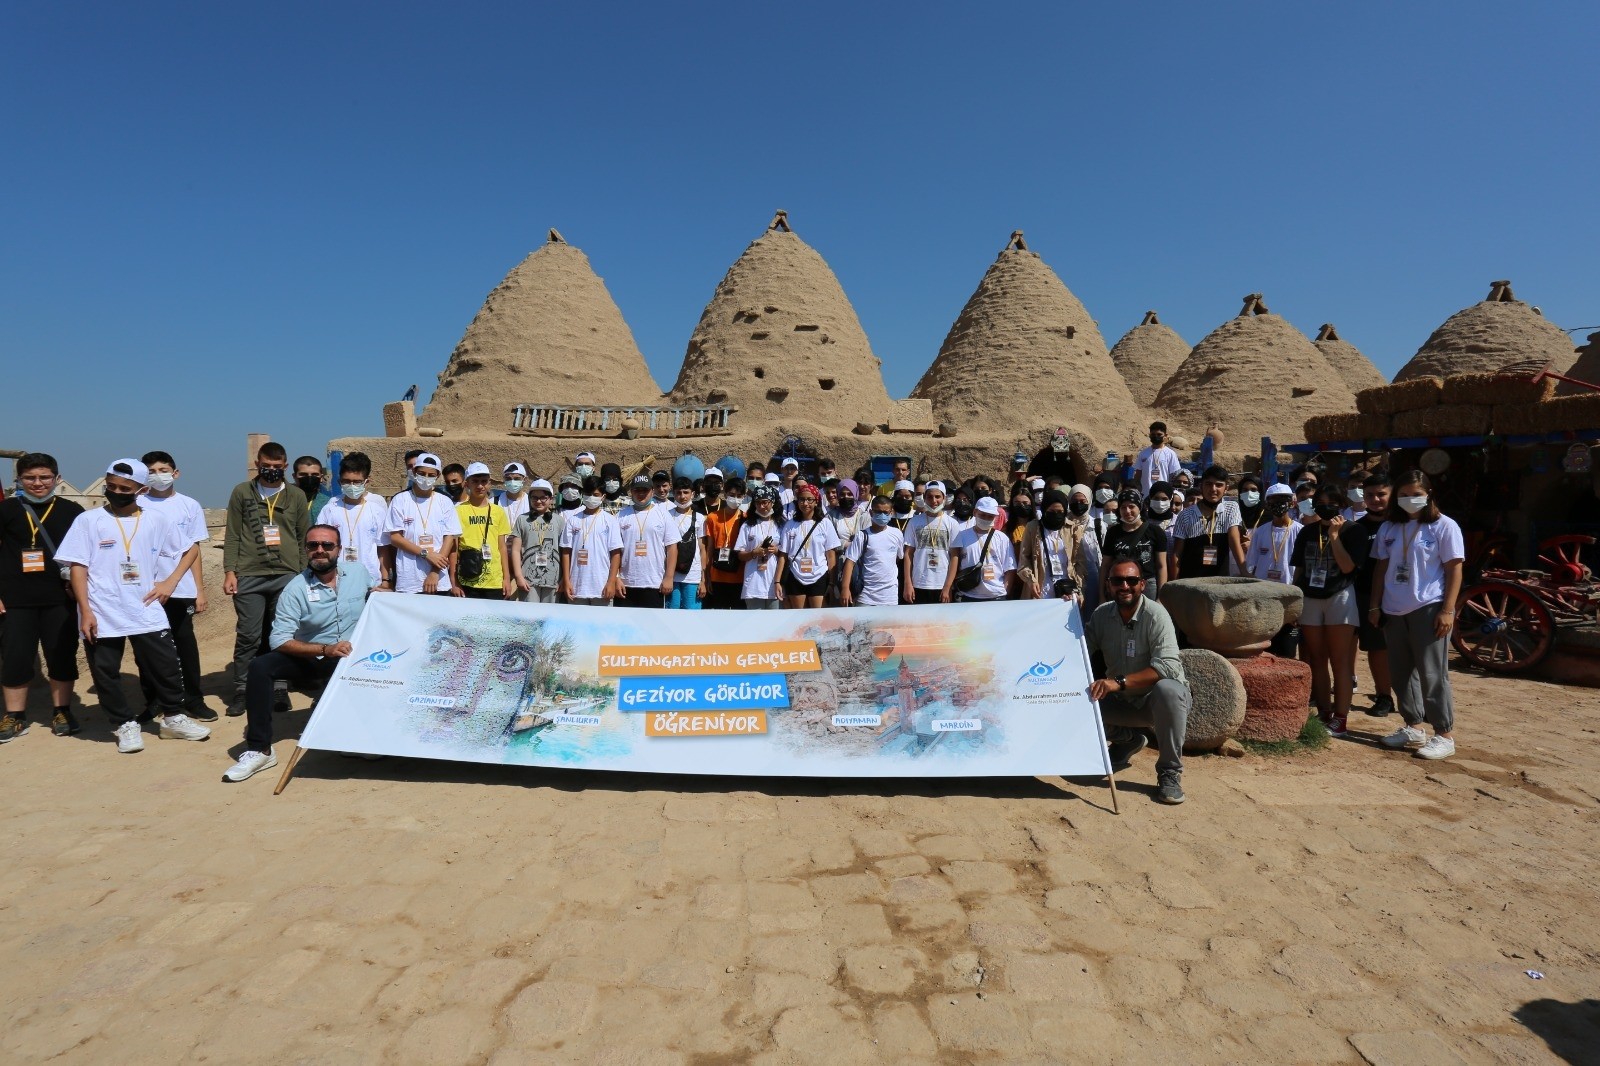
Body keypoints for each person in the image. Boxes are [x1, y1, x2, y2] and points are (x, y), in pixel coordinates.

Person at [55, 459, 210, 753]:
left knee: (165, 665)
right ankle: (124, 724)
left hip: (145, 607)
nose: (115, 491)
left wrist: (171, 582)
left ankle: (174, 718)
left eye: (124, 488)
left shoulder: (155, 520)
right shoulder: (88, 521)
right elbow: (78, 566)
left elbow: (190, 547)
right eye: (110, 485)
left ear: (140, 489)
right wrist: (85, 610)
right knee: (105, 671)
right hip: (102, 610)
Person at [223, 524, 371, 783]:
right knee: (260, 667)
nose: (320, 550)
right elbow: (278, 639)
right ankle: (260, 749)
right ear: (305, 550)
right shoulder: (295, 588)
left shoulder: (359, 573)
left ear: (339, 549)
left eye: (327, 545)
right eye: (313, 546)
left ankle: (355, 736)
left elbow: (376, 595)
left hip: (352, 659)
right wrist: (325, 649)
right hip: (315, 659)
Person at [1369, 471, 1463, 761]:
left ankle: (1444, 734)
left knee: (1432, 674)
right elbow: (1381, 568)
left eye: (1416, 493)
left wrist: (1448, 610)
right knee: (1400, 673)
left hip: (1429, 607)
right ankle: (1412, 726)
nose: (1410, 499)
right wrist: (1375, 605)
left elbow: (1454, 569)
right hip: (1394, 609)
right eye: (1404, 494)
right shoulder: (1389, 527)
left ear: (1429, 494)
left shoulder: (1444, 526)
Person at [1085, 557, 1190, 805]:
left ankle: (1169, 773)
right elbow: (1079, 650)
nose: (1124, 586)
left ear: (1142, 584)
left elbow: (1168, 666)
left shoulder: (1156, 614)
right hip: (1122, 701)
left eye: (1131, 580)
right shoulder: (1101, 615)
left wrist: (1116, 682)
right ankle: (1127, 740)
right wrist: (1066, 609)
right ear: (1108, 585)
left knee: (1168, 690)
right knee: (1078, 696)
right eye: (1117, 580)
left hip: (1156, 702)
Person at [0, 453, 85, 741]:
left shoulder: (72, 511)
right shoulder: (7, 509)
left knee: (61, 655)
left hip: (59, 598)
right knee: (15, 658)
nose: (38, 483)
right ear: (20, 480)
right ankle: (14, 716)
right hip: (15, 599)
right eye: (30, 478)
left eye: (44, 477)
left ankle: (62, 710)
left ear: (56, 479)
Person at [223, 441, 309, 717]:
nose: (271, 470)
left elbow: (302, 537)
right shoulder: (242, 492)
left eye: (276, 466)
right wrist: (229, 572)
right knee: (248, 634)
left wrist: (303, 575)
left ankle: (278, 687)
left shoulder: (295, 495)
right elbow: (233, 534)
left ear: (285, 466)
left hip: (286, 576)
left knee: (282, 634)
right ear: (257, 465)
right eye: (266, 466)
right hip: (250, 574)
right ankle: (242, 689)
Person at [137, 451, 214, 721]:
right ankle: (155, 700)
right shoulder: (137, 504)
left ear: (176, 472)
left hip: (179, 590)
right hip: (146, 591)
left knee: (184, 645)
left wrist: (199, 590)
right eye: (152, 470)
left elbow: (193, 548)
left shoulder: (189, 505)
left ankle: (193, 698)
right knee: (148, 648)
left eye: (164, 469)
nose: (159, 475)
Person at [1293, 485, 1368, 736]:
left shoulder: (1354, 530)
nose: (1326, 507)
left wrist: (1335, 536)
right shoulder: (1306, 531)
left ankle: (1341, 717)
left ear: (1341, 504)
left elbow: (1348, 568)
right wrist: (1295, 599)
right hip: (1311, 597)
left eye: (1332, 502)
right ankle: (1324, 712)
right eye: (1320, 502)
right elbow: (1300, 570)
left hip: (1340, 596)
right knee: (1317, 659)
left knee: (1340, 660)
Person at [385, 452, 462, 596]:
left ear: (437, 476)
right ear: (414, 472)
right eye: (422, 473)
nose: (426, 478)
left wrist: (434, 572)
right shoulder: (400, 500)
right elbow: (395, 538)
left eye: (431, 475)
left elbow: (449, 538)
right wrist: (426, 554)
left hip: (439, 580)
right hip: (409, 581)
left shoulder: (444, 501)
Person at [1350, 474, 1394, 716]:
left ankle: (1420, 700)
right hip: (1368, 596)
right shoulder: (1357, 529)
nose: (1375, 499)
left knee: (1412, 650)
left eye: (1381, 494)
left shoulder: (1406, 525)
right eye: (1370, 495)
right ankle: (1384, 696)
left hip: (1403, 596)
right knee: (1377, 649)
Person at [317, 451, 389, 588]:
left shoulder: (376, 510)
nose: (351, 486)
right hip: (337, 579)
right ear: (339, 482)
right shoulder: (330, 509)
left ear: (366, 482)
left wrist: (385, 580)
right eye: (346, 482)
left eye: (357, 482)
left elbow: (383, 549)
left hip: (370, 580)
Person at [1168, 465, 1244, 580]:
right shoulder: (1185, 515)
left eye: (1219, 485)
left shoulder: (1231, 508)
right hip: (1191, 581)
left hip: (1220, 581)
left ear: (1226, 488)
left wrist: (1244, 571)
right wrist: (1174, 583)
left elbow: (1234, 540)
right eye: (1208, 484)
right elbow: (1177, 554)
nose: (1213, 489)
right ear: (1201, 487)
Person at [452, 462, 515, 600]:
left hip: (494, 581)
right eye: (475, 481)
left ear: (489, 484)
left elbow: (502, 548)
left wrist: (506, 578)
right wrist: (454, 581)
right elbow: (454, 549)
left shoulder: (498, 511)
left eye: (484, 481)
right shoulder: (458, 511)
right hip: (468, 579)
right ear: (467, 484)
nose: (480, 486)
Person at [615, 474, 677, 608]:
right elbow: (614, 551)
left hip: (654, 583)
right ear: (631, 491)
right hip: (626, 584)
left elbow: (672, 548)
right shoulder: (621, 515)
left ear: (652, 491)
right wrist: (616, 577)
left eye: (645, 490)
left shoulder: (663, 514)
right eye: (637, 490)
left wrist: (669, 577)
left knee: (652, 626)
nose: (641, 493)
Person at [560, 475, 622, 605]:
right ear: (582, 494)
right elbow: (566, 552)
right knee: (577, 625)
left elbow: (615, 553)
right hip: (576, 586)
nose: (591, 498)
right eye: (588, 494)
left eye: (596, 494)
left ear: (603, 496)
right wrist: (566, 581)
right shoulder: (573, 520)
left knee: (602, 625)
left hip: (601, 587)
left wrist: (611, 581)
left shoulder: (610, 520)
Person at [779, 483, 840, 608]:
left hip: (819, 574)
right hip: (796, 574)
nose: (805, 503)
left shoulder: (825, 523)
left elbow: (831, 555)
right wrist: (777, 581)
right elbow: (783, 555)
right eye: (802, 499)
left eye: (809, 499)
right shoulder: (790, 524)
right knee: (799, 618)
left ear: (816, 501)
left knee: (818, 618)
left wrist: (832, 582)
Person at [1100, 488, 1167, 601]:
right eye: (1123, 507)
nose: (1127, 511)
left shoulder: (1155, 532)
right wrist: (1102, 596)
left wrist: (1160, 598)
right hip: (1120, 585)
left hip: (1147, 586)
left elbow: (1161, 566)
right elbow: (1105, 566)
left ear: (1140, 507)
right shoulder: (1112, 533)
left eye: (1131, 506)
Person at [944, 497, 1015, 602]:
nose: (986, 519)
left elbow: (1010, 568)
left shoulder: (1002, 538)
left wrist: (1005, 590)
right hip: (968, 595)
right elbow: (954, 563)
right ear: (975, 512)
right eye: (982, 515)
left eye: (990, 516)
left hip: (996, 596)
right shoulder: (961, 536)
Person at [839, 496, 903, 608]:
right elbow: (850, 562)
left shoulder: (897, 533)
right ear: (871, 512)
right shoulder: (862, 535)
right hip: (866, 596)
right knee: (862, 626)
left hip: (890, 596)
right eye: (878, 512)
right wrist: (845, 589)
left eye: (885, 512)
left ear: (891, 512)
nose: (882, 515)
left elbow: (898, 557)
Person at [902, 482, 958, 605]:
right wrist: (908, 583)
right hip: (919, 583)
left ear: (944, 498)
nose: (934, 501)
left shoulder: (952, 523)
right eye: (929, 497)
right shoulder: (914, 522)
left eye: (938, 496)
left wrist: (948, 587)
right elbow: (908, 554)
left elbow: (954, 556)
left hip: (942, 585)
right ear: (924, 498)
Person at [512, 479, 564, 603]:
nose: (539, 501)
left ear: (551, 499)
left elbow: (564, 551)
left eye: (543, 498)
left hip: (553, 580)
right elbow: (515, 550)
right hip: (528, 580)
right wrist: (519, 576)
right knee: (529, 618)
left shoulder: (559, 521)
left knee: (549, 617)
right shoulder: (522, 519)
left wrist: (563, 579)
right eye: (534, 498)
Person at [736, 485, 784, 609]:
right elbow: (740, 554)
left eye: (765, 502)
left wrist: (777, 551)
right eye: (757, 503)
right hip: (753, 584)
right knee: (755, 623)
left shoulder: (781, 524)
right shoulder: (747, 525)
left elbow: (787, 554)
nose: (761, 506)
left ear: (772, 502)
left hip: (774, 583)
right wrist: (753, 553)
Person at [703, 476, 747, 609]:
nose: (735, 499)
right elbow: (709, 549)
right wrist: (707, 577)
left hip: (739, 577)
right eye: (732, 495)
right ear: (725, 494)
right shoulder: (713, 518)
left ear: (744, 496)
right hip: (717, 576)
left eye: (739, 496)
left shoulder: (746, 518)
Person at [665, 477, 707, 609]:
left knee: (692, 615)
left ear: (692, 494)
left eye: (686, 492)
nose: (682, 496)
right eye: (678, 492)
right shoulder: (666, 515)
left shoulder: (699, 518)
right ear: (673, 494)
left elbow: (702, 549)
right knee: (671, 613)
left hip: (692, 576)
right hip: (671, 575)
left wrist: (703, 580)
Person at [1133, 421, 1183, 496]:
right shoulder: (1143, 453)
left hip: (1163, 495)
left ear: (1165, 435)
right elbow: (1137, 475)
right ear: (1149, 435)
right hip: (1146, 494)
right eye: (1153, 434)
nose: (1156, 436)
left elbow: (1174, 476)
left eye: (1159, 434)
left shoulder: (1170, 454)